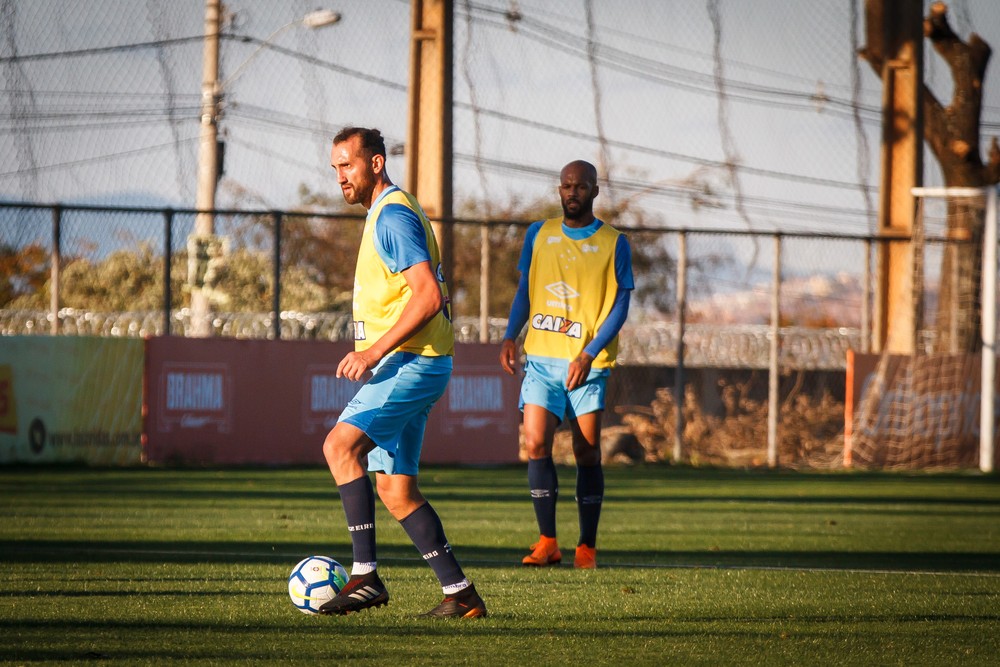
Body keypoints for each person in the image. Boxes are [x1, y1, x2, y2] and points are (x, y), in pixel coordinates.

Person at [318, 127, 486, 618]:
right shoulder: (389, 211)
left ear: (375, 163)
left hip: (412, 361)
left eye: (348, 165)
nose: (341, 176)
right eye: (335, 168)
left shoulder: (391, 216)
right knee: (395, 489)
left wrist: (372, 353)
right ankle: (460, 594)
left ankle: (365, 576)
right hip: (417, 361)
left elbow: (428, 296)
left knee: (339, 448)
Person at [499, 160, 633, 570]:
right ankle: (547, 542)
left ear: (595, 190)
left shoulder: (614, 242)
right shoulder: (538, 234)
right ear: (560, 190)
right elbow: (525, 290)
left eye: (581, 186)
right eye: (566, 185)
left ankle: (586, 546)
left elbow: (621, 305)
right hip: (541, 360)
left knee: (586, 452)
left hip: (586, 365)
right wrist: (510, 334)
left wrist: (589, 353)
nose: (572, 192)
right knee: (536, 443)